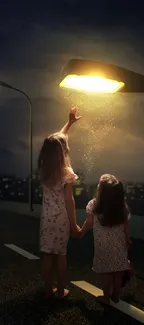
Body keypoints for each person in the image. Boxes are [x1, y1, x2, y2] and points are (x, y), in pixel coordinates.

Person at [38, 107, 81, 300]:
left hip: (47, 219)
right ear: (63, 151)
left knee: (48, 255)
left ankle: (48, 290)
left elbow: (56, 140)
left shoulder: (44, 168)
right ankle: (62, 291)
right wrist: (73, 224)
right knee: (61, 255)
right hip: (62, 220)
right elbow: (69, 201)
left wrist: (69, 124)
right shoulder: (66, 172)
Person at [80, 174, 130, 305]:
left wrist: (81, 231)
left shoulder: (93, 204)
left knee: (105, 271)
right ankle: (116, 295)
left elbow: (89, 222)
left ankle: (106, 297)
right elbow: (126, 225)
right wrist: (128, 239)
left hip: (103, 246)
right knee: (117, 271)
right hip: (119, 244)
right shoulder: (121, 206)